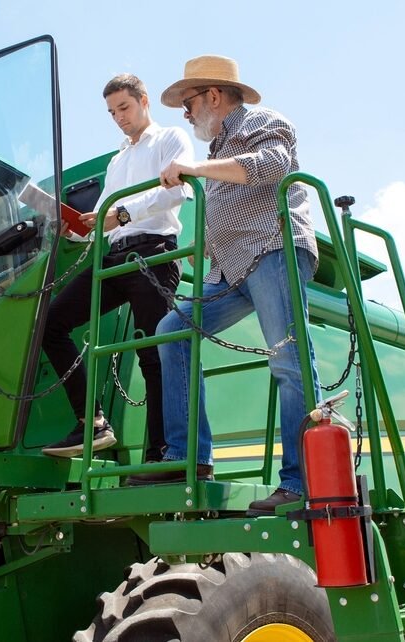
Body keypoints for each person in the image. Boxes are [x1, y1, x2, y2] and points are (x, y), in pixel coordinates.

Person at [125, 55, 321, 518]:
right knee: (173, 329)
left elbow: (269, 166)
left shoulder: (262, 121)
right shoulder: (216, 152)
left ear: (214, 95)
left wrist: (192, 170)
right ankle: (188, 455)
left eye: (188, 104)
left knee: (288, 360)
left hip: (274, 249)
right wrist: (206, 245)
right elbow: (230, 205)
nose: (187, 115)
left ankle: (301, 483)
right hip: (232, 267)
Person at [40, 73, 194, 460]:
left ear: (144, 101)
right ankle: (92, 424)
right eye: (111, 112)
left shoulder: (171, 139)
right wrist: (74, 231)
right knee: (51, 323)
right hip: (113, 257)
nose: (119, 117)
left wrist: (121, 214)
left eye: (124, 107)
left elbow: (176, 190)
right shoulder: (117, 160)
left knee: (152, 355)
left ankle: (161, 455)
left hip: (153, 256)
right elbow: (103, 221)